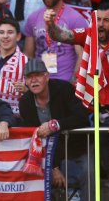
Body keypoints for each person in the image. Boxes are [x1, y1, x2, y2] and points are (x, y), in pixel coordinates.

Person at [45, 2, 109, 200]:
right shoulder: (88, 35)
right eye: (98, 19)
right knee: (92, 166)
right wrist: (50, 25)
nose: (100, 24)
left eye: (106, 21)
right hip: (93, 117)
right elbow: (62, 35)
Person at [19, 58, 91, 199]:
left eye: (38, 75)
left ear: (46, 76)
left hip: (76, 148)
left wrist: (56, 125)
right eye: (29, 77)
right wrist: (53, 167)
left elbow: (82, 117)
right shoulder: (25, 103)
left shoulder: (64, 89)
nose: (33, 80)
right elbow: (34, 137)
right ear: (25, 82)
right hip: (47, 154)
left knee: (89, 171)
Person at [24, 0, 86, 82]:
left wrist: (73, 83)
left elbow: (82, 56)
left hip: (65, 82)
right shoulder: (33, 18)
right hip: (40, 83)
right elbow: (29, 56)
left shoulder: (75, 18)